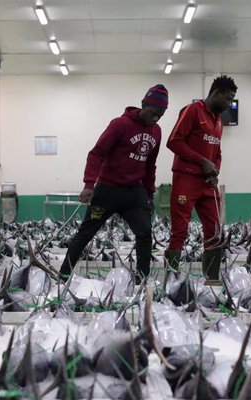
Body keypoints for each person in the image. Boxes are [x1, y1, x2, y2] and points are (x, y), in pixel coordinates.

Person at [59, 84, 168, 282]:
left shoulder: (157, 132)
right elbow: (96, 153)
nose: (155, 119)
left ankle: (141, 280)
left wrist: (149, 195)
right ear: (143, 104)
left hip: (134, 193)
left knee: (144, 233)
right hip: (108, 190)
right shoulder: (120, 125)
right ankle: (63, 275)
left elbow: (150, 165)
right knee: (86, 233)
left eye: (160, 115)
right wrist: (89, 184)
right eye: (153, 113)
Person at [164, 75, 238, 283]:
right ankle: (171, 279)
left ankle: (212, 280)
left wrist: (215, 171)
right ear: (215, 93)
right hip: (186, 179)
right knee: (180, 230)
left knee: (215, 230)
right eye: (227, 99)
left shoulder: (218, 121)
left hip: (207, 184)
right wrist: (202, 161)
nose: (229, 104)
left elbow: (218, 153)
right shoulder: (192, 110)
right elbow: (173, 141)